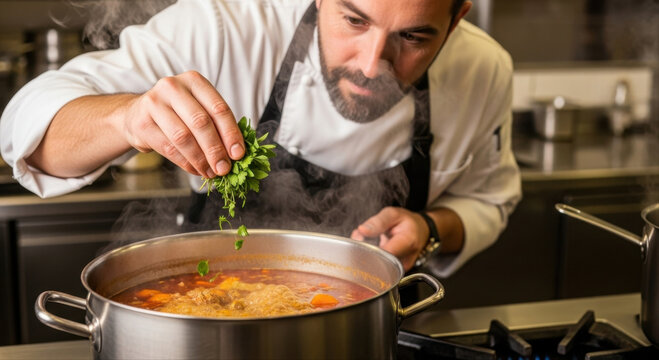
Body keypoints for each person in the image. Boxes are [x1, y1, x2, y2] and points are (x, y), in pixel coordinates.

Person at [0, 0, 521, 277]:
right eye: (353, 19)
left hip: (375, 327)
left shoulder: (485, 71)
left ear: (456, 20)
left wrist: (430, 228)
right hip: (210, 318)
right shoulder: (225, 27)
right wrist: (127, 117)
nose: (371, 66)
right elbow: (29, 129)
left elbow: (487, 201)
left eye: (413, 36)